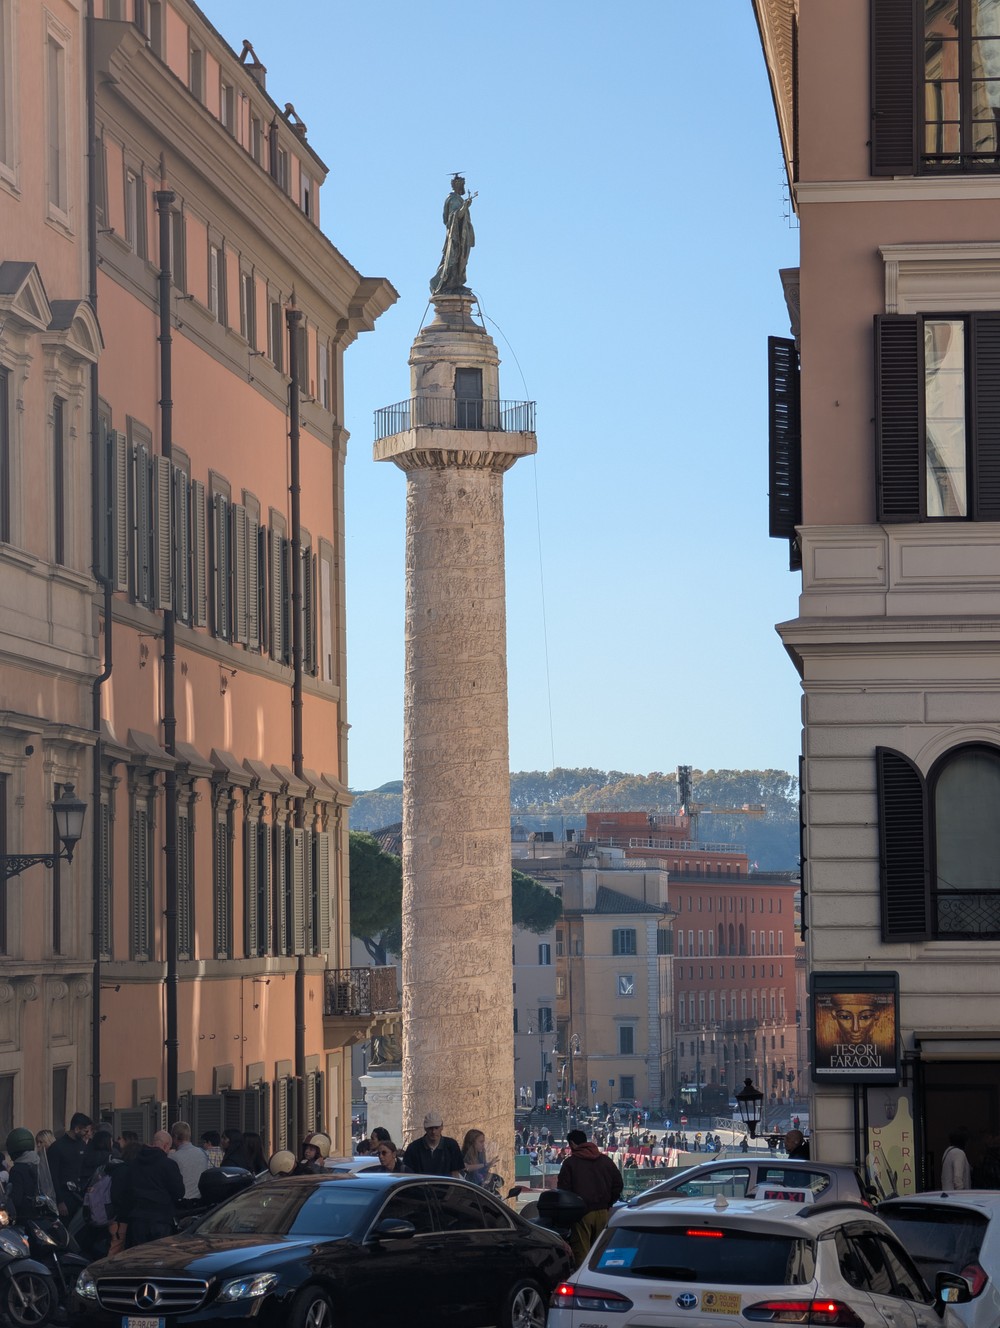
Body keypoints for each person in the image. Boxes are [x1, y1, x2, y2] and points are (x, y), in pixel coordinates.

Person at [557, 1129, 623, 1267]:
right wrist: (608, 1203)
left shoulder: (570, 1163)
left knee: (582, 1255)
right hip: (603, 1212)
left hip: (581, 1215)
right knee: (600, 1253)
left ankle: (583, 1279)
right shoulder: (605, 1160)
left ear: (572, 1144)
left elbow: (563, 1191)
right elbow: (618, 1184)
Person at [120, 1129, 183, 1248]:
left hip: (138, 1218)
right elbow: (179, 1192)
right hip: (161, 1218)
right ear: (166, 1146)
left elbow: (127, 1189)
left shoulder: (135, 1163)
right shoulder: (168, 1164)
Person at [429, 175, 476, 295]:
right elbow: (454, 217)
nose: (462, 187)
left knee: (460, 259)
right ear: (456, 185)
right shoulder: (453, 199)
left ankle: (456, 283)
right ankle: (446, 284)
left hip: (462, 235)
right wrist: (465, 207)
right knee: (453, 258)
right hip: (455, 236)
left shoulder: (458, 199)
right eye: (461, 184)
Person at [46, 1111, 92, 1218]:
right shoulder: (57, 1147)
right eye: (85, 1131)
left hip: (79, 1196)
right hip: (64, 1196)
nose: (87, 1134)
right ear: (77, 1129)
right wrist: (60, 1201)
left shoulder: (82, 1145)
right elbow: (53, 1176)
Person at [402, 1112, 464, 1177]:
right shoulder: (413, 1148)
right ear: (425, 1128)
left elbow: (455, 1173)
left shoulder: (452, 1146)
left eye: (436, 1128)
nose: (433, 1132)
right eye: (430, 1128)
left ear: (442, 1127)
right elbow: (408, 1174)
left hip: (445, 1183)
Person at [169, 1121, 210, 1207]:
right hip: (200, 1202)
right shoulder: (202, 1153)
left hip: (181, 1203)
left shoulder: (174, 1157)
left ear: (175, 1137)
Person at [5, 1128, 43, 1220]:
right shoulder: (39, 1164)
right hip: (41, 1213)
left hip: (24, 1217)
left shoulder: (16, 1170)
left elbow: (16, 1199)